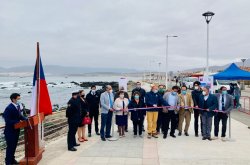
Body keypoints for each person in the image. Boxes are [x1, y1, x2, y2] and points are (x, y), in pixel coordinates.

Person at [3, 93, 27, 165]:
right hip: (10, 131)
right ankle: (8, 162)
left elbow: (19, 116)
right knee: (10, 147)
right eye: (18, 99)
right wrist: (17, 122)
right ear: (13, 99)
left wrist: (26, 119)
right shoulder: (9, 108)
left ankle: (12, 160)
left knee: (14, 146)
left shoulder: (17, 106)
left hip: (16, 130)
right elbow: (7, 120)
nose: (19, 100)